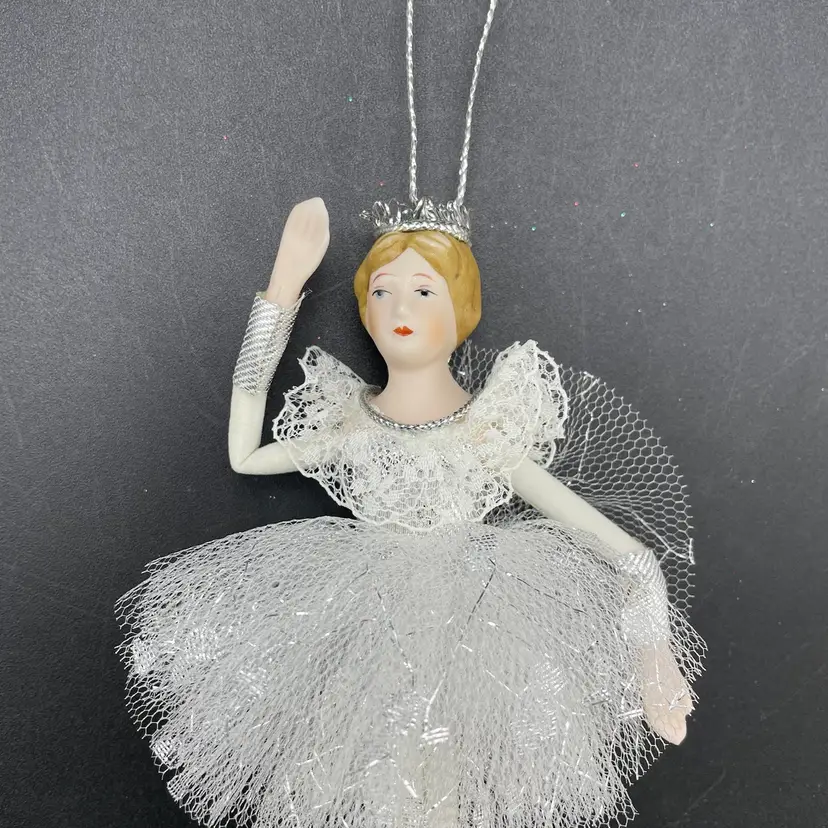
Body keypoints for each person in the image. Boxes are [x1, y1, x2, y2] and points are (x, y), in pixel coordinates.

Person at [116, 196, 704, 828]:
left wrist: (654, 656)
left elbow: (634, 559)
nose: (399, 310)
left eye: (424, 291)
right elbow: (244, 455)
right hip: (367, 628)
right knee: (364, 772)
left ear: (461, 311)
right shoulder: (349, 427)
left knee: (448, 776)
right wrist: (280, 295)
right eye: (382, 292)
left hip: (479, 630)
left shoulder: (486, 435)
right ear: (365, 311)